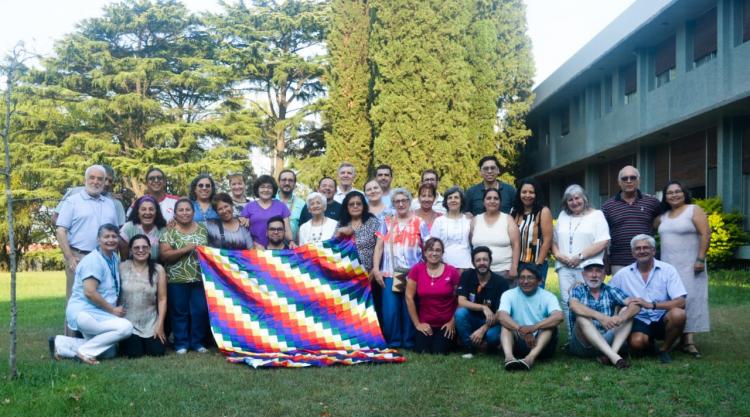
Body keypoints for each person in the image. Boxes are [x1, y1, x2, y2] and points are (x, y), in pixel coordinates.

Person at [49, 224, 133, 365]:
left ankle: (61, 343)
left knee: (109, 352)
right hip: (84, 313)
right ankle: (85, 352)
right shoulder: (93, 261)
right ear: (98, 239)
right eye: (106, 236)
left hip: (98, 313)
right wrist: (112, 310)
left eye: (114, 236)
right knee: (126, 328)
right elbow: (89, 292)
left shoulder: (113, 257)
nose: (110, 240)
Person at [56, 165, 121, 335]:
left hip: (105, 258)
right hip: (79, 256)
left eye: (100, 179)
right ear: (85, 180)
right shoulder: (73, 201)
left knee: (104, 297)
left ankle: (100, 339)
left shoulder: (110, 204)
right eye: (92, 178)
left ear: (105, 181)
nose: (96, 181)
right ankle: (70, 341)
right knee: (75, 300)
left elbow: (114, 233)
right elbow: (60, 230)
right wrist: (69, 257)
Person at [610, 234, 687, 363]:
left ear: (653, 251)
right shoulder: (622, 274)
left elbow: (681, 302)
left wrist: (652, 305)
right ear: (633, 253)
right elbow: (607, 294)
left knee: (679, 314)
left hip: (662, 317)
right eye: (638, 248)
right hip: (638, 319)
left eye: (646, 247)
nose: (642, 251)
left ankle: (664, 349)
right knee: (637, 343)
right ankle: (648, 344)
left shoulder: (668, 270)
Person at [655, 180, 710, 358]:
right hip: (668, 266)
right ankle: (673, 336)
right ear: (665, 197)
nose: (674, 195)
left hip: (690, 265)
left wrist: (700, 258)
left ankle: (689, 341)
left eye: (678, 191)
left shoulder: (694, 210)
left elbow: (705, 233)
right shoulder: (663, 216)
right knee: (671, 300)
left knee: (690, 300)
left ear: (684, 193)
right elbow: (650, 226)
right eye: (670, 193)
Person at [372, 188, 429, 349]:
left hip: (412, 273)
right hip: (390, 271)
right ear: (393, 204)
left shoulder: (419, 222)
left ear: (409, 202)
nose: (401, 204)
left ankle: (409, 341)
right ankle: (394, 341)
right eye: (397, 201)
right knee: (391, 310)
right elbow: (379, 247)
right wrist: (376, 268)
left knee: (409, 307)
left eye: (404, 200)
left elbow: (429, 246)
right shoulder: (387, 221)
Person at [551, 184, 610, 336]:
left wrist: (580, 257)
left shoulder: (597, 215)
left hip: (588, 267)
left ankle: (592, 337)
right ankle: (573, 339)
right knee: (567, 302)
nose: (574, 202)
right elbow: (554, 241)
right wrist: (558, 255)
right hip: (564, 267)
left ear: (584, 198)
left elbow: (603, 241)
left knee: (587, 302)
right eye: (570, 199)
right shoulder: (563, 216)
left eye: (577, 198)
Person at [159, 198, 210, 354]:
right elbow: (165, 256)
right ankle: (181, 343)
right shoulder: (169, 231)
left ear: (193, 212)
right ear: (175, 213)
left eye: (188, 209)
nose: (184, 213)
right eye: (180, 210)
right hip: (176, 278)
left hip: (199, 278)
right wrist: (186, 249)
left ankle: (197, 342)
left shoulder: (203, 229)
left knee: (199, 310)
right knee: (179, 311)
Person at [569, 260, 640, 369]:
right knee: (582, 317)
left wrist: (621, 318)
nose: (594, 275)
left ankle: (612, 355)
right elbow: (574, 305)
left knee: (627, 310)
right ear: (583, 275)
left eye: (598, 271)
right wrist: (602, 317)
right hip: (583, 344)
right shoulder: (578, 289)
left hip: (606, 340)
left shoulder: (610, 290)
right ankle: (614, 356)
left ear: (604, 275)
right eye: (590, 271)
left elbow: (636, 305)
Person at [498, 264, 563, 371]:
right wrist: (520, 329)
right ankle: (509, 358)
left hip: (541, 345)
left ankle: (530, 359)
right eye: (522, 277)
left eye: (530, 277)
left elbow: (559, 316)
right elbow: (501, 316)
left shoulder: (548, 296)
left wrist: (534, 327)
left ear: (539, 280)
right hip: (518, 340)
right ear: (518, 280)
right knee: (505, 326)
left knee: (549, 326)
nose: (525, 281)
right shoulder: (508, 294)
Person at [405, 238, 461, 354]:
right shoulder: (417, 270)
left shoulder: (452, 271)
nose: (434, 253)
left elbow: (460, 300)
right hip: (425, 324)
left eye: (438, 250)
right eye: (430, 250)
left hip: (446, 325)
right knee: (422, 350)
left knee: (439, 351)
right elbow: (409, 297)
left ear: (442, 253)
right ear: (425, 252)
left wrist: (452, 322)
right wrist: (417, 324)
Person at [602, 165, 660, 275]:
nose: (629, 181)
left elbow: (663, 221)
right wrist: (606, 260)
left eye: (633, 178)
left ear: (638, 181)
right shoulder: (607, 206)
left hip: (647, 261)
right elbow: (602, 235)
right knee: (620, 293)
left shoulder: (652, 202)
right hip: (619, 262)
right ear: (619, 182)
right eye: (625, 178)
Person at [455, 246, 509, 357]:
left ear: (490, 261)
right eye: (478, 260)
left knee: (492, 336)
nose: (482, 263)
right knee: (460, 313)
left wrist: (483, 329)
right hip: (473, 318)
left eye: (485, 259)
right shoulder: (467, 276)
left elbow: (501, 312)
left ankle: (486, 346)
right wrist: (483, 307)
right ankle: (469, 347)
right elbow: (461, 301)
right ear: (473, 263)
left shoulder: (501, 282)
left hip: (492, 322)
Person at [119, 234, 168, 358]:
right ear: (130, 250)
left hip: (150, 322)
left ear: (150, 249)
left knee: (157, 352)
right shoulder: (122, 267)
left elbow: (162, 299)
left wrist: (160, 324)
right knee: (134, 353)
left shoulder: (158, 269)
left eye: (144, 247)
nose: (141, 250)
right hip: (128, 322)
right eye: (136, 248)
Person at [469, 188, 520, 285]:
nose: (492, 201)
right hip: (480, 273)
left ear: (500, 202)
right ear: (483, 202)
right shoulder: (475, 220)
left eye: (496, 198)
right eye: (488, 198)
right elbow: (471, 242)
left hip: (504, 272)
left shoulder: (508, 219)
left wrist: (514, 267)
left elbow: (516, 244)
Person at [510, 178, 553, 287]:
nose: (527, 195)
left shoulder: (543, 211)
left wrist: (538, 265)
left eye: (531, 192)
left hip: (537, 263)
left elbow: (547, 241)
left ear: (536, 194)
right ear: (519, 194)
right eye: (524, 192)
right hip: (517, 264)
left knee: (535, 298)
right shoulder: (514, 212)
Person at [336, 191, 381, 276]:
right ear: (347, 207)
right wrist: (340, 231)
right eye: (351, 204)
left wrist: (373, 271)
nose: (355, 206)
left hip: (369, 275)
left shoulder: (373, 222)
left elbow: (379, 247)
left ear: (363, 206)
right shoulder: (342, 223)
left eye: (358, 204)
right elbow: (334, 245)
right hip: (346, 275)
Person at [241, 175, 293, 248]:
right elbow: (243, 232)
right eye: (262, 187)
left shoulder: (281, 206)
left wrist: (291, 241)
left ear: (273, 190)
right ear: (257, 189)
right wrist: (254, 244)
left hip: (277, 250)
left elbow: (287, 229)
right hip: (255, 249)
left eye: (269, 187)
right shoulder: (249, 207)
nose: (266, 190)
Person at [429, 186, 472, 270]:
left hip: (466, 266)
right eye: (450, 198)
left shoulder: (469, 220)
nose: (453, 200)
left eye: (456, 197)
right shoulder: (439, 221)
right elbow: (433, 245)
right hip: (444, 266)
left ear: (461, 201)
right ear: (446, 201)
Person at [119, 195, 166, 260]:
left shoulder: (163, 230)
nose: (147, 212)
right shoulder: (128, 228)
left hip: (156, 267)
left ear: (156, 212)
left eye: (151, 209)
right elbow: (124, 257)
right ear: (138, 212)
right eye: (143, 209)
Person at [276, 169, 305, 241]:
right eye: (284, 180)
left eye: (290, 180)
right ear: (279, 182)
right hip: (271, 249)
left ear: (295, 184)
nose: (287, 183)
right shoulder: (270, 200)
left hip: (293, 249)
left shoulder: (302, 204)